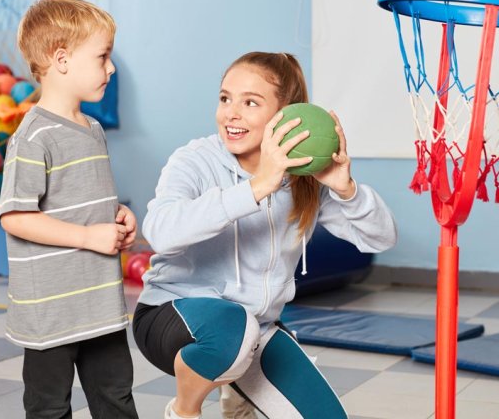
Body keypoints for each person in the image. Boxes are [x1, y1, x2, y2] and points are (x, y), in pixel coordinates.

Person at [133, 51, 398, 419]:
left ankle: (236, 389)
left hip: (255, 332)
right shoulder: (195, 160)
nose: (231, 114)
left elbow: (381, 239)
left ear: (286, 115)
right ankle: (184, 410)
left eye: (250, 103)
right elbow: (160, 232)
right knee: (232, 331)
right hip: (169, 315)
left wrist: (346, 188)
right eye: (225, 98)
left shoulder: (304, 181)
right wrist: (256, 188)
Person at [0, 0, 139, 418]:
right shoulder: (32, 137)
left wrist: (116, 217)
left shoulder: (92, 128)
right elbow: (15, 216)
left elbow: (84, 197)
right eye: (103, 57)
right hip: (51, 311)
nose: (111, 68)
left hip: (99, 303)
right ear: (61, 59)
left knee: (116, 397)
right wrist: (87, 236)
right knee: (49, 406)